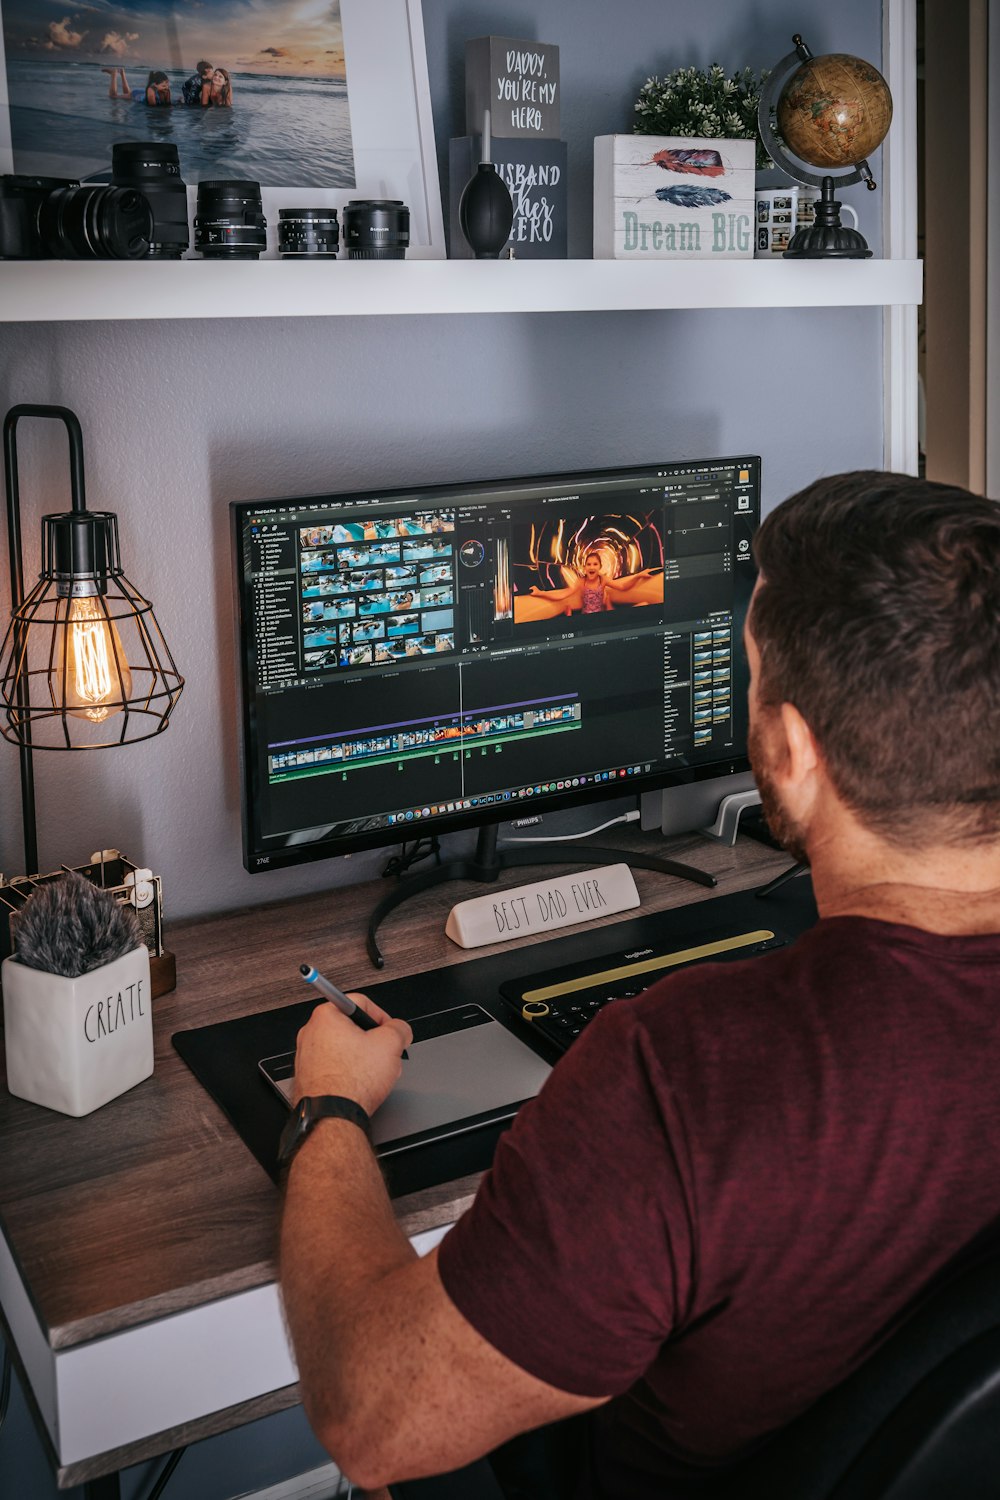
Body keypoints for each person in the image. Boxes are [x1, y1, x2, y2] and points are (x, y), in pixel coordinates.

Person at [279, 471, 1000, 1498]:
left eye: (747, 676)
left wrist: (328, 1110)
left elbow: (372, 1416)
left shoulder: (680, 1075)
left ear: (790, 752)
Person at [526, 549, 659, 616]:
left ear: (600, 567)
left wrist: (638, 576)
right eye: (589, 564)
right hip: (587, 618)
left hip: (602, 616)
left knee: (644, 604)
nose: (591, 567)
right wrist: (540, 593)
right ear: (584, 568)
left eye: (595, 564)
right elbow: (562, 595)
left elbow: (623, 587)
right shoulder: (581, 582)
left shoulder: (603, 580)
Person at [103, 66, 171, 106]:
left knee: (127, 94)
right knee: (113, 96)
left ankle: (122, 73)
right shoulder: (151, 91)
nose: (167, 87)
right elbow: (153, 106)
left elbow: (167, 104)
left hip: (140, 93)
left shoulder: (164, 91)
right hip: (136, 94)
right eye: (164, 86)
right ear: (155, 85)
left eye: (167, 84)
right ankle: (114, 74)